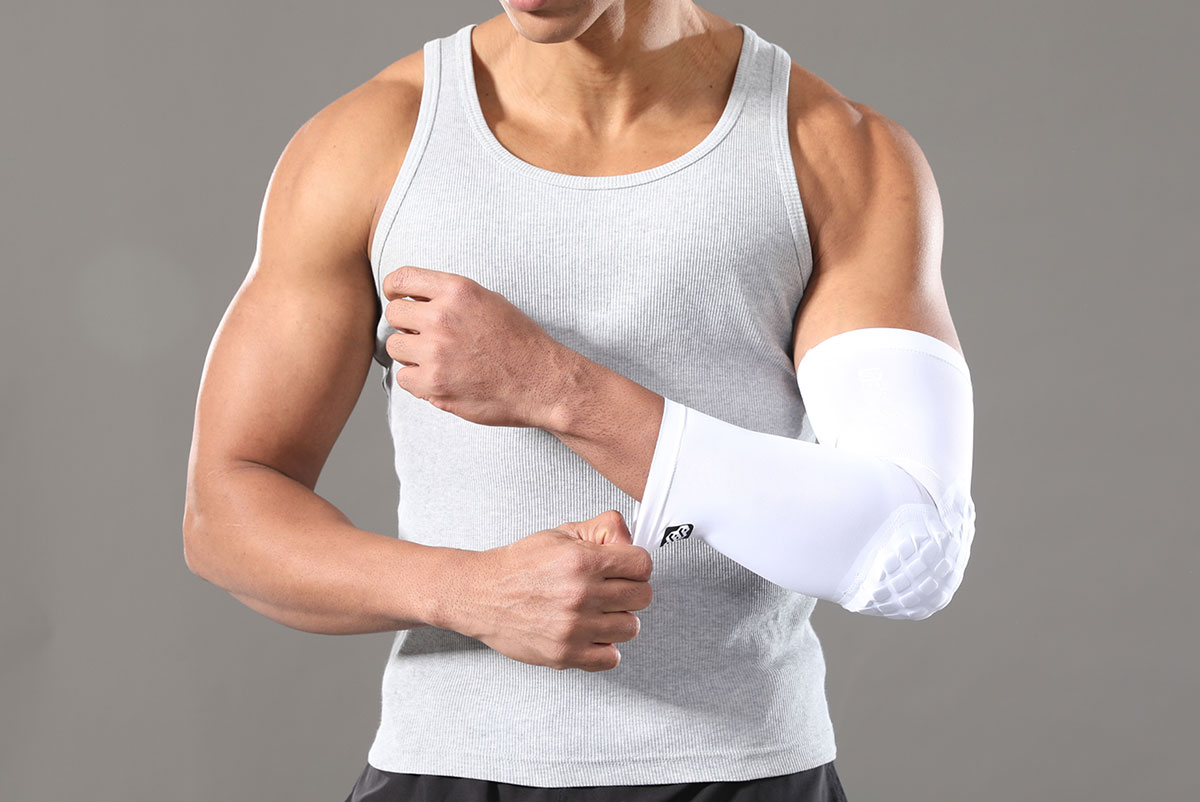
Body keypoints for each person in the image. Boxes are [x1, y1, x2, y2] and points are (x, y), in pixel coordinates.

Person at [184, 1, 978, 800]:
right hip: (450, 769)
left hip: (746, 774)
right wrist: (467, 592)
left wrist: (556, 388)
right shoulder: (375, 142)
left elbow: (912, 548)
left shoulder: (830, 152)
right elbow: (227, 509)